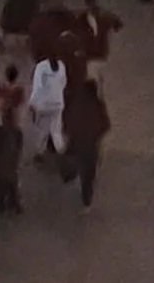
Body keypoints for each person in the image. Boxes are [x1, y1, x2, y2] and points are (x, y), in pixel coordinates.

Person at [66, 75, 111, 210]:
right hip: (91, 145)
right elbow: (105, 125)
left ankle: (76, 176)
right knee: (89, 171)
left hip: (77, 142)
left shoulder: (75, 104)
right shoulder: (98, 105)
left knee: (80, 164)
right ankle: (86, 195)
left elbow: (68, 123)